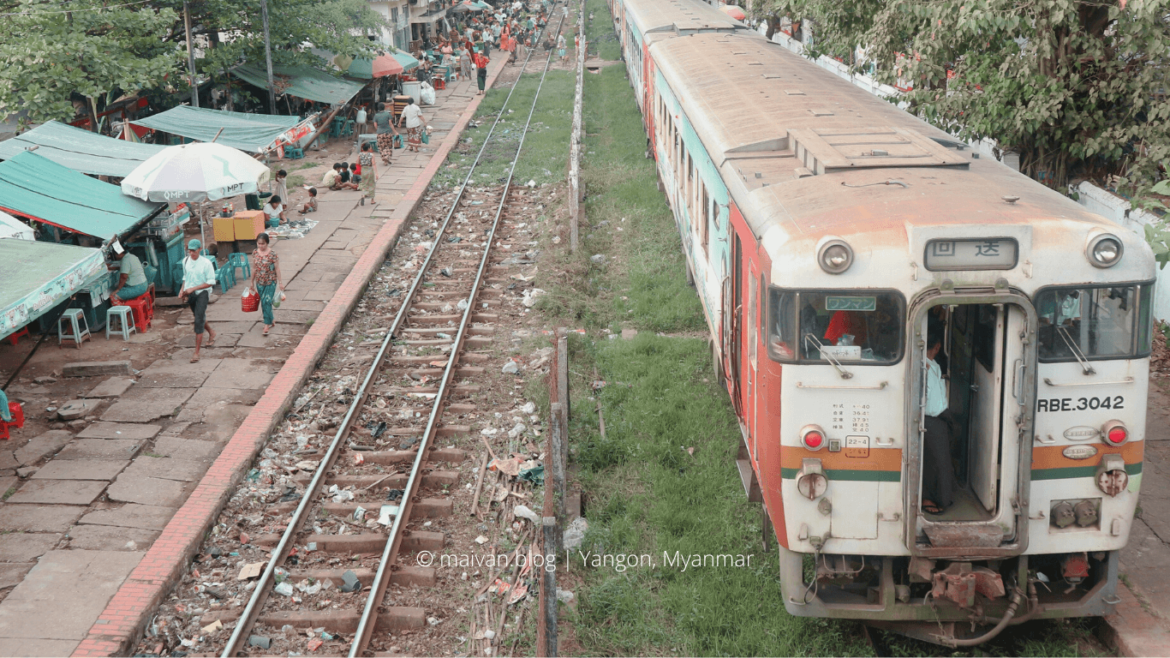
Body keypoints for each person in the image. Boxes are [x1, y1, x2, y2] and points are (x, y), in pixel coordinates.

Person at [922, 326, 956, 515]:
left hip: (940, 416)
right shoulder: (922, 365)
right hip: (930, 417)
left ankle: (940, 497)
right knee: (935, 461)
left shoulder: (933, 365)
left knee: (940, 460)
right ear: (937, 346)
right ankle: (930, 498)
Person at [179, 239, 218, 363]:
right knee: (198, 316)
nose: (191, 253)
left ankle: (196, 352)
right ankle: (212, 332)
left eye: (194, 251)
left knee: (198, 320)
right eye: (189, 251)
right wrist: (182, 290)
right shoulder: (185, 261)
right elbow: (185, 278)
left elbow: (211, 281)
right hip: (190, 293)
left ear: (199, 249)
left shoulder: (206, 263)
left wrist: (194, 288)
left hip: (202, 292)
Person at [250, 232, 283, 335]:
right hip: (259, 282)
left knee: (266, 301)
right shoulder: (255, 253)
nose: (261, 246)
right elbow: (254, 268)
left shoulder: (273, 254)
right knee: (264, 302)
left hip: (271, 281)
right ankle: (271, 318)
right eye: (259, 243)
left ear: (267, 243)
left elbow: (277, 269)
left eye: (263, 243)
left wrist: (281, 282)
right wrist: (251, 282)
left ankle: (266, 324)